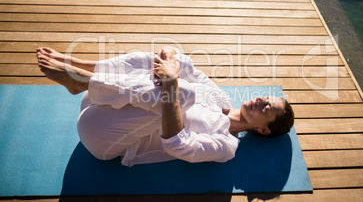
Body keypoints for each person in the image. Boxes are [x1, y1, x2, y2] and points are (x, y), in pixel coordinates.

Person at [36, 46, 294, 167]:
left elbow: (178, 144)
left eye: (267, 108)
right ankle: (80, 70)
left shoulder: (226, 146)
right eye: (265, 97)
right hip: (100, 101)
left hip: (101, 133)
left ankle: (81, 80)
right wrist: (172, 61)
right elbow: (191, 68)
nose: (261, 100)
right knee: (161, 67)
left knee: (182, 93)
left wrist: (171, 82)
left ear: (263, 130)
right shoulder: (221, 98)